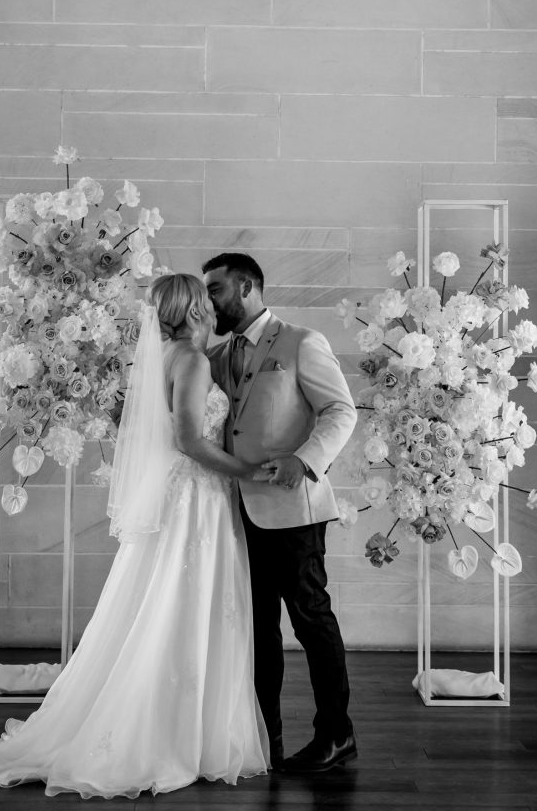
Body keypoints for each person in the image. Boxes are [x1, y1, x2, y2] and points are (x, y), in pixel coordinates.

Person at [0, 274, 269, 798]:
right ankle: (172, 736)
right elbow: (189, 439)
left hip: (182, 496)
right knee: (182, 603)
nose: (213, 310)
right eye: (206, 303)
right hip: (196, 499)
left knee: (162, 602)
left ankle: (175, 724)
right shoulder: (189, 361)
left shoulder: (162, 357)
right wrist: (245, 471)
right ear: (192, 312)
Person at [202, 252, 358, 773]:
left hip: (295, 509)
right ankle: (264, 737)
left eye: (217, 290)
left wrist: (304, 459)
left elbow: (341, 410)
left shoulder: (300, 342)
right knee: (257, 626)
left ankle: (337, 735)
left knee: (311, 620)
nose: (210, 301)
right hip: (237, 510)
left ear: (246, 286)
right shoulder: (220, 354)